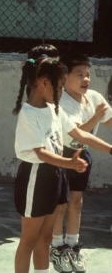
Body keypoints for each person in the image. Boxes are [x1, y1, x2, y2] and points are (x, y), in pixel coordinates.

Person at [12, 54, 112, 273]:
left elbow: (80, 134)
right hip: (35, 177)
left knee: (46, 238)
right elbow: (41, 153)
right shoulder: (28, 114)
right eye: (58, 87)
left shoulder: (54, 109)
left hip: (55, 176)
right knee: (29, 240)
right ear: (43, 84)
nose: (60, 93)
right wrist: (70, 163)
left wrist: (109, 148)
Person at [50, 51, 112, 273]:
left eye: (88, 74)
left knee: (76, 202)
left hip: (82, 156)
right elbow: (77, 134)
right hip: (63, 155)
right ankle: (57, 247)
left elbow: (109, 121)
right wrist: (95, 118)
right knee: (60, 204)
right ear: (64, 77)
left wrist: (101, 117)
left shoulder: (94, 97)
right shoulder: (62, 102)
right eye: (79, 74)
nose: (86, 79)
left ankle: (73, 245)